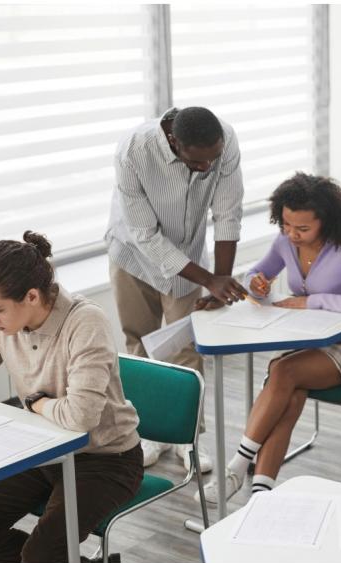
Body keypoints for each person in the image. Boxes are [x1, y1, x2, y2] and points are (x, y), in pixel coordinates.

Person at [0, 232, 143, 563]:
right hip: (41, 450)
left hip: (105, 459)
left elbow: (81, 417)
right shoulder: (1, 326)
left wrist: (37, 403)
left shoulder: (85, 322)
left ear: (32, 296)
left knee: (42, 553)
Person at [196, 172, 341, 504]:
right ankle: (261, 493)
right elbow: (256, 273)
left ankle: (235, 468)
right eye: (286, 224)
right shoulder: (284, 243)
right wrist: (257, 282)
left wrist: (312, 301)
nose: (292, 234)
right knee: (291, 393)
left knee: (282, 372)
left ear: (326, 222)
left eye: (302, 228)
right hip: (307, 342)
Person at [105, 106, 248, 472]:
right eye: (198, 162)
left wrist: (221, 280)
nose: (207, 169)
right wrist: (209, 280)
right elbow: (144, 235)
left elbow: (228, 214)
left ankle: (188, 437)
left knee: (185, 347)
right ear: (174, 142)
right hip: (132, 254)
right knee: (139, 343)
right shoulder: (133, 151)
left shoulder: (224, 142)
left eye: (212, 160)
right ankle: (149, 431)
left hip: (187, 258)